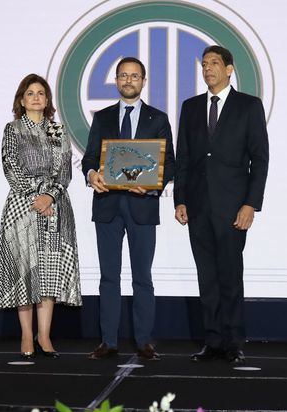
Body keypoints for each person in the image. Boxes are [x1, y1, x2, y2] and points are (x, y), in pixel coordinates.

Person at [174, 46, 269, 364]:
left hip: (232, 208)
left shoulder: (248, 106)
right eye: (204, 64)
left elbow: (260, 158)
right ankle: (212, 341)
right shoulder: (190, 107)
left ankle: (232, 340)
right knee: (207, 276)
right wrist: (180, 198)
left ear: (229, 69)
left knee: (229, 274)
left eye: (214, 63)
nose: (208, 69)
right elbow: (183, 157)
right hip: (198, 206)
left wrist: (250, 204)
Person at [82, 57, 175, 361]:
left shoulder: (158, 118)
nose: (128, 80)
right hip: (108, 205)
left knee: (142, 277)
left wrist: (152, 185)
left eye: (134, 76)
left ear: (143, 81)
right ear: (117, 81)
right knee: (108, 277)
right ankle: (108, 342)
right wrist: (92, 174)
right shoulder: (102, 117)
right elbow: (90, 158)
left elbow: (169, 163)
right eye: (123, 75)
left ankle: (144, 341)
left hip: (143, 206)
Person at [0, 73, 82, 359]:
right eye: (30, 93)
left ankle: (44, 335)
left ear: (47, 100)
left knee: (49, 273)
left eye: (41, 93)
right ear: (21, 99)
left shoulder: (58, 131)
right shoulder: (13, 129)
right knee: (25, 272)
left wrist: (49, 196)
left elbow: (64, 171)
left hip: (54, 207)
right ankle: (27, 335)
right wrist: (35, 195)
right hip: (22, 206)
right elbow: (10, 166)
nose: (36, 97)